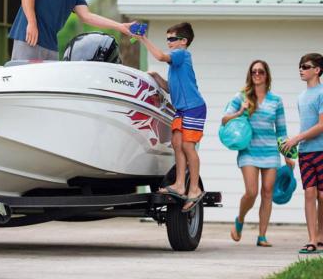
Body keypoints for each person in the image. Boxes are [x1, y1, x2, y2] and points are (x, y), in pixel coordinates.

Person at [222, 60, 294, 247]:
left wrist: (287, 155)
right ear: (250, 74)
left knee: (268, 192)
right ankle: (240, 219)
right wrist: (240, 111)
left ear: (266, 75)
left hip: (270, 151)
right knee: (251, 192)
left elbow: (281, 131)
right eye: (254, 71)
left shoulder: (276, 101)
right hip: (249, 150)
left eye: (261, 71)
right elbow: (224, 120)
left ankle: (262, 236)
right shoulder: (242, 96)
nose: (257, 74)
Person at [137, 22, 206, 213]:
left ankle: (194, 188)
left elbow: (159, 56)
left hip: (194, 108)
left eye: (172, 39)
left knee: (187, 146)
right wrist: (156, 78)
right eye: (167, 39)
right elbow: (170, 88)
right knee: (176, 143)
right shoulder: (176, 61)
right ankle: (179, 184)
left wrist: (142, 38)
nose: (168, 42)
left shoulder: (181, 54)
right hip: (182, 109)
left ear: (183, 41)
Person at [282, 53, 323, 254]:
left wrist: (297, 138)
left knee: (322, 196)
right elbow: (306, 124)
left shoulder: (322, 93)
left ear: (317, 70)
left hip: (321, 151)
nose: (301, 69)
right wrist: (293, 144)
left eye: (306, 66)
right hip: (306, 153)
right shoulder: (301, 97)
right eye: (300, 66)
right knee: (309, 193)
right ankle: (312, 239)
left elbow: (321, 126)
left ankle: (321, 236)